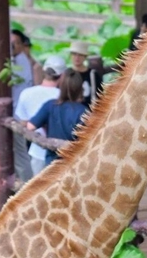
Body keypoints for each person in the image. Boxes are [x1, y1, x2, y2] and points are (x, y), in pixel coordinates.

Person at [14, 55, 67, 178]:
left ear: (44, 72)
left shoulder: (26, 93)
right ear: (62, 75)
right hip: (60, 152)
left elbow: (23, 122)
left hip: (36, 151)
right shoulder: (63, 97)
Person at [27, 69, 88, 165]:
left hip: (52, 162)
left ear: (61, 86)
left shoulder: (50, 105)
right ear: (80, 88)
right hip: (75, 163)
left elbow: (30, 126)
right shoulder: (83, 111)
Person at [10, 29, 37, 181]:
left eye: (15, 43)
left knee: (20, 154)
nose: (12, 46)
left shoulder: (20, 63)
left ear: (22, 45)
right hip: (19, 114)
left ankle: (26, 183)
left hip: (18, 116)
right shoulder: (21, 60)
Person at [69, 40, 103, 109]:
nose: (77, 57)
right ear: (71, 55)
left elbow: (100, 96)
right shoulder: (67, 74)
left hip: (89, 112)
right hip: (69, 111)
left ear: (85, 56)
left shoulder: (93, 74)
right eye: (74, 54)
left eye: (80, 55)